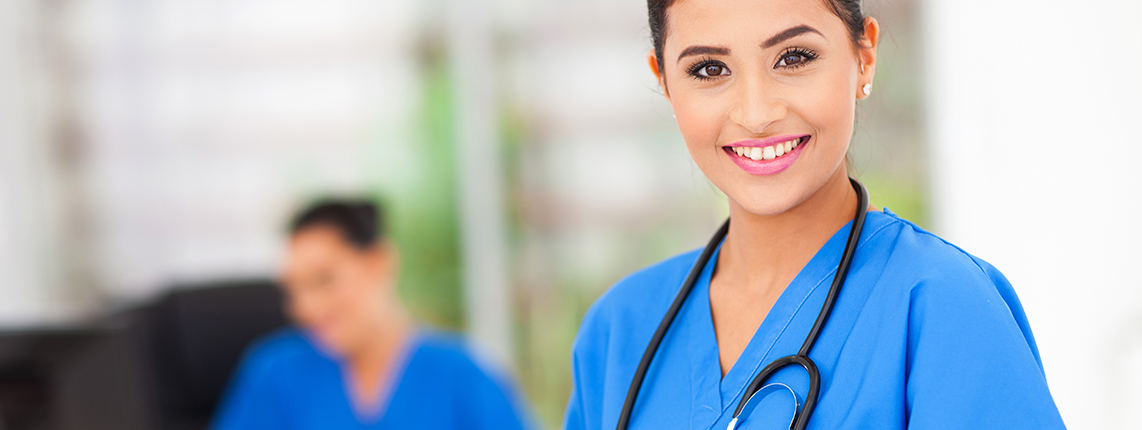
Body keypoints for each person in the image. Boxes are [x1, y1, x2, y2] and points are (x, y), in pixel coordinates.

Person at [563, 0, 1065, 429]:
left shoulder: (943, 306)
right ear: (666, 83)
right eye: (710, 69)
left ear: (864, 57)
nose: (756, 114)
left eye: (794, 57)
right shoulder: (619, 332)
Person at [213, 200, 534, 430]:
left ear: (379, 263)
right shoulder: (274, 375)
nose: (306, 307)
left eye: (324, 280)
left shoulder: (464, 376)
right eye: (293, 290)